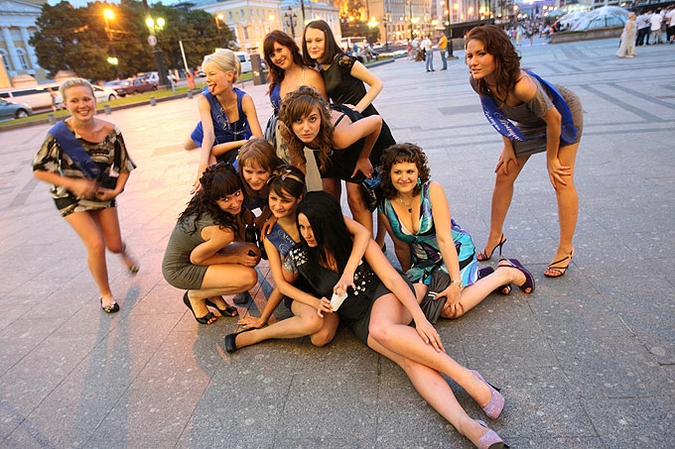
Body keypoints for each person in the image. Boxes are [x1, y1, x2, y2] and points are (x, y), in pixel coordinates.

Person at [276, 191, 509, 448]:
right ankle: (467, 426)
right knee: (410, 362)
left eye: (312, 227)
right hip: (358, 320)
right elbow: (282, 284)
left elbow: (392, 279)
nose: (307, 234)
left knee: (381, 328)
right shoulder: (303, 255)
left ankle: (467, 379)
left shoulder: (356, 244)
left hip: (385, 295)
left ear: (328, 224)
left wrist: (419, 318)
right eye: (302, 227)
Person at [465, 25, 583, 278]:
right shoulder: (479, 82)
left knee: (561, 179)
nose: (473, 62)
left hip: (563, 116)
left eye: (481, 54)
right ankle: (495, 235)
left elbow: (554, 119)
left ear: (498, 54)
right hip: (530, 121)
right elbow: (495, 114)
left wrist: (551, 159)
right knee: (503, 174)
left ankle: (566, 248)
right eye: (469, 55)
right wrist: (508, 145)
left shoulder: (522, 86)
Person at [378, 143, 534, 319]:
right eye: (397, 172)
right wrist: (409, 277)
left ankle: (506, 273)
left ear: (418, 172)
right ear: (389, 174)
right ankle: (479, 278)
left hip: (455, 250)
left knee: (450, 309)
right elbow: (401, 246)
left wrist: (455, 282)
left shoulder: (432, 190)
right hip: (424, 261)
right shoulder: (385, 205)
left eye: (410, 171)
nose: (404, 178)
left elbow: (444, 239)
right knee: (416, 301)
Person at [229, 166, 370, 350]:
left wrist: (350, 271)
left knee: (321, 336)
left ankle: (339, 313)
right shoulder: (272, 235)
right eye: (273, 199)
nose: (278, 206)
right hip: (303, 292)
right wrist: (263, 319)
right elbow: (281, 284)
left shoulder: (315, 213)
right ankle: (257, 335)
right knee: (318, 334)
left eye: (286, 200)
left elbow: (362, 232)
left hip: (332, 283)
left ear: (299, 198)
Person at [32, 78, 138, 314]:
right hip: (69, 195)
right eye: (74, 101)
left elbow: (124, 166)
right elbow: (38, 169)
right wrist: (73, 183)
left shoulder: (111, 131)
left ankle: (122, 251)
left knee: (113, 245)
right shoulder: (58, 135)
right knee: (96, 243)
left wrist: (116, 190)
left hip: (101, 192)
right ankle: (106, 295)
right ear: (65, 104)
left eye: (86, 99)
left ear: (94, 100)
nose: (82, 105)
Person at [302, 19, 397, 246]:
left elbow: (376, 83)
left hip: (370, 127)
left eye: (318, 40)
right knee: (363, 191)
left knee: (381, 188)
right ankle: (372, 243)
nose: (313, 45)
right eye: (308, 41)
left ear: (328, 39)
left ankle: (379, 241)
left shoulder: (343, 61)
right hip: (351, 130)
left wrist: (357, 109)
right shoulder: (320, 70)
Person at [162, 162, 261, 324]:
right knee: (249, 278)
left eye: (237, 193)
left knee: (252, 251)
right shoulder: (222, 232)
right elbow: (196, 258)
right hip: (180, 270)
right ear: (214, 201)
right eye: (226, 199)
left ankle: (213, 295)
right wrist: (236, 258)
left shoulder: (206, 202)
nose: (235, 202)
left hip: (198, 255)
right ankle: (196, 296)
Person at [278, 86, 382, 235]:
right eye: (298, 120)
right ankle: (334, 237)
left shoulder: (341, 136)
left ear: (321, 117)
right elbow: (299, 165)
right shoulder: (288, 131)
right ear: (290, 122)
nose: (306, 128)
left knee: (355, 197)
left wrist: (364, 157)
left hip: (361, 142)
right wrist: (293, 195)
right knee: (328, 192)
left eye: (312, 119)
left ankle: (367, 243)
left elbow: (377, 121)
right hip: (325, 147)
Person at [184, 49, 263, 193]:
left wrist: (244, 143)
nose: (207, 79)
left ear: (229, 76)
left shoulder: (244, 100)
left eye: (212, 74)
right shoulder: (205, 100)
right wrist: (202, 164)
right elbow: (208, 135)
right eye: (206, 75)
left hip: (233, 135)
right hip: (209, 131)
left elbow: (259, 138)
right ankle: (192, 141)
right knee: (188, 146)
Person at [263, 30, 327, 163]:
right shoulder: (277, 80)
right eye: (272, 55)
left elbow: (325, 110)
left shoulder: (311, 75)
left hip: (307, 139)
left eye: (279, 50)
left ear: (290, 46)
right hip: (279, 140)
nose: (277, 57)